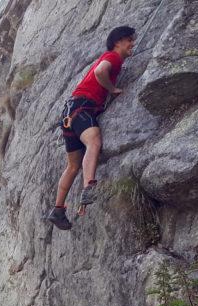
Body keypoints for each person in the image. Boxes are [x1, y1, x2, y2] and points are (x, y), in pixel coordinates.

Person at [47, 25, 137, 230]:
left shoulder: (114, 60)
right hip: (82, 107)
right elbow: (100, 71)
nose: (133, 43)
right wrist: (112, 89)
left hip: (70, 112)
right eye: (129, 40)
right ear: (118, 42)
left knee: (72, 166)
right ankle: (89, 185)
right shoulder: (112, 57)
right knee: (93, 141)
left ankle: (58, 209)